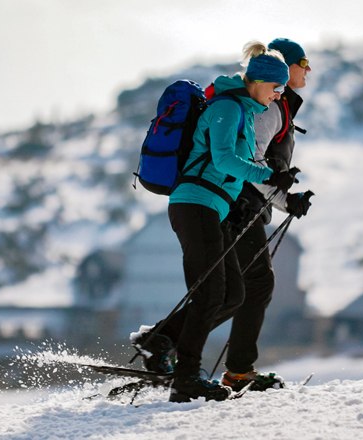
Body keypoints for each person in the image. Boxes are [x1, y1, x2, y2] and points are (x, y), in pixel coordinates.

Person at [131, 41, 298, 403]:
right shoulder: (227, 107)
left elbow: (238, 165)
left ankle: (159, 340)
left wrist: (278, 186)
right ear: (258, 82)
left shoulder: (244, 109)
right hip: (195, 204)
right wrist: (269, 173)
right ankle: (186, 378)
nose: (278, 95)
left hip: (212, 209)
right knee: (210, 293)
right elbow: (223, 160)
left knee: (234, 294)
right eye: (276, 87)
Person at [220, 38, 314, 392]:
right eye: (303, 62)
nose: (308, 70)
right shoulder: (270, 109)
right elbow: (253, 163)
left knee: (235, 288)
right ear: (287, 67)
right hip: (239, 204)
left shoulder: (278, 106)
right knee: (252, 285)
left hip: (245, 203)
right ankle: (236, 371)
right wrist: (284, 199)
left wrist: (285, 199)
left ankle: (165, 343)